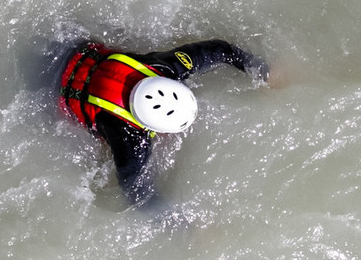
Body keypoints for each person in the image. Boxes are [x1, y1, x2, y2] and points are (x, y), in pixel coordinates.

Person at [55, 38, 271, 209]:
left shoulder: (162, 67)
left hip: (71, 48)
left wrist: (262, 71)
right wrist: (188, 229)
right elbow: (138, 196)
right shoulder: (130, 136)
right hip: (53, 90)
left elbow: (220, 49)